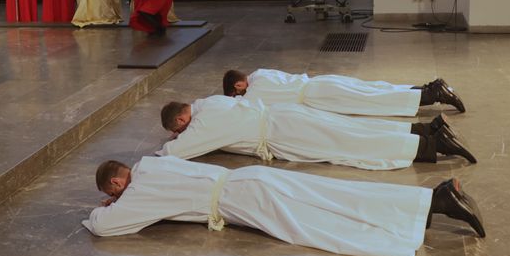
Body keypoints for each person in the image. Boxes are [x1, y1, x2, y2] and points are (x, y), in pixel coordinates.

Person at [86, 156, 485, 256]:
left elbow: (104, 227)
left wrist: (104, 208)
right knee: (334, 194)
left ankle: (431, 207)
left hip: (244, 201)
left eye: (115, 191)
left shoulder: (136, 193)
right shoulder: (153, 164)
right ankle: (432, 198)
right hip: (248, 177)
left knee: (319, 227)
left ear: (118, 184)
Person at [158, 95, 477, 170]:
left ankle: (431, 146)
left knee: (350, 144)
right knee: (352, 127)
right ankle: (424, 130)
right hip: (283, 112)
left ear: (182, 122)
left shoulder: (200, 126)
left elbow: (175, 153)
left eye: (178, 129)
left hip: (282, 132)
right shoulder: (207, 103)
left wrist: (172, 143)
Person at [224, 69, 465, 117]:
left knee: (373, 100)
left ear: (238, 86)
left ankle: (434, 95)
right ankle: (430, 88)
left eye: (236, 94)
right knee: (374, 88)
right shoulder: (260, 73)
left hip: (317, 96)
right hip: (320, 82)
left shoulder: (254, 91)